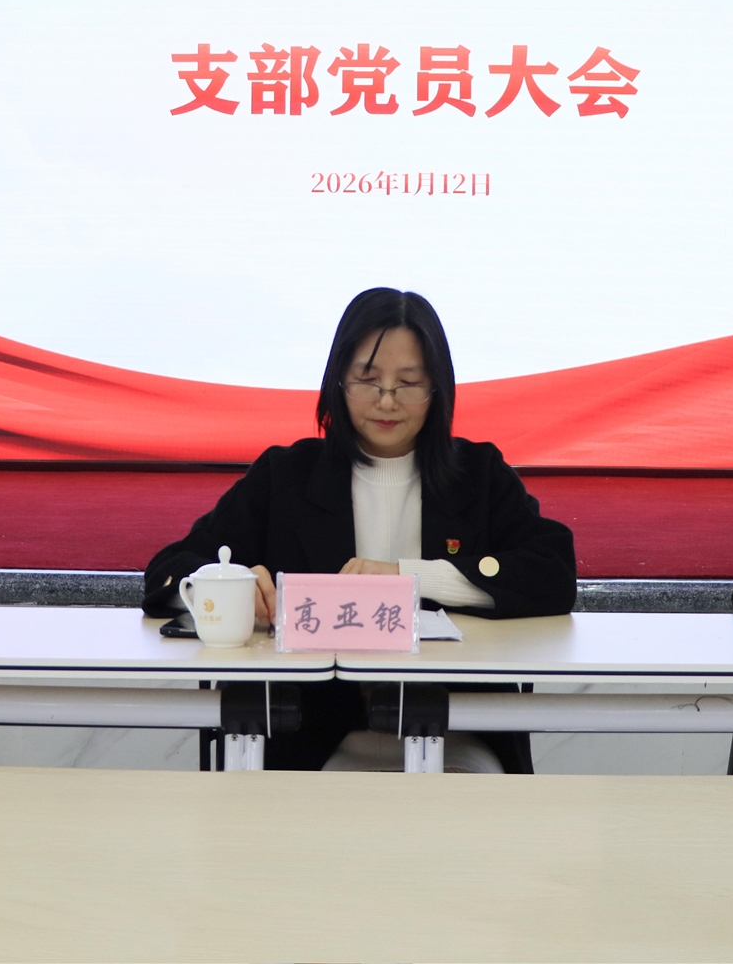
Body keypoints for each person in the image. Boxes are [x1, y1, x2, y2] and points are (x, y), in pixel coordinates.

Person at [144, 288, 576, 771]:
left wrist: (409, 579)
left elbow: (553, 571)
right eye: (368, 381)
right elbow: (168, 571)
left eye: (408, 383)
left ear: (438, 389)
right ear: (338, 382)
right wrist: (232, 589)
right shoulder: (287, 476)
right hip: (312, 734)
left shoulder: (478, 474)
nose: (387, 401)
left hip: (455, 724)